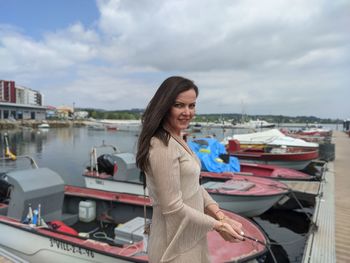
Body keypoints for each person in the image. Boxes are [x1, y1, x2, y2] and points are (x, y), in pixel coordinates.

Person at [136, 76, 244, 263]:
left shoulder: (177, 138)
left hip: (190, 237)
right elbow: (172, 207)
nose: (187, 112)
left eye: (192, 106)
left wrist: (221, 216)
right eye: (179, 105)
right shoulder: (162, 145)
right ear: (164, 106)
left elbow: (194, 188)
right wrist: (218, 226)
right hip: (173, 246)